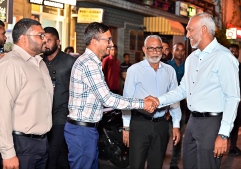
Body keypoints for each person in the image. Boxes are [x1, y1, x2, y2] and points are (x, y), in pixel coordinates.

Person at [151, 12, 240, 169]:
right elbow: (183, 89)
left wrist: (223, 134)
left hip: (212, 123)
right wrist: (159, 100)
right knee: (189, 165)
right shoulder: (191, 59)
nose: (187, 35)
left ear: (203, 30)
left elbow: (232, 97)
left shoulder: (223, 57)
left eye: (190, 30)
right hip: (192, 121)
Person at [64, 22, 156, 169]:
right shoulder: (89, 63)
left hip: (86, 130)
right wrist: (142, 103)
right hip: (82, 132)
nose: (111, 44)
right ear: (94, 41)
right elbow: (107, 98)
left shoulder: (93, 62)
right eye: (108, 40)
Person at [122, 35, 181, 169]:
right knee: (136, 165)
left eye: (158, 48)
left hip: (161, 126)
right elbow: (127, 100)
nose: (155, 52)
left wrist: (176, 125)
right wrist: (126, 127)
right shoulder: (134, 70)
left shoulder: (169, 71)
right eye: (151, 48)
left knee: (156, 165)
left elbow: (174, 98)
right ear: (144, 49)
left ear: (163, 50)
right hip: (139, 125)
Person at [0, 18, 53, 169]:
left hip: (42, 143)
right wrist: (8, 153)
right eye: (40, 35)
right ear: (23, 38)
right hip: (21, 145)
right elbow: (2, 110)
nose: (44, 39)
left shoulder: (39, 63)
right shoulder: (11, 64)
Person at [41, 27, 76, 169]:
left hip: (61, 115)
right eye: (43, 40)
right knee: (60, 155)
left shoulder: (70, 62)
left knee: (52, 153)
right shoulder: (38, 61)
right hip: (42, 115)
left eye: (49, 40)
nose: (45, 44)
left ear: (58, 42)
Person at [167, 43, 186, 169]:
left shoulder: (188, 66)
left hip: (183, 104)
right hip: (167, 104)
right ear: (172, 51)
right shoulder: (167, 66)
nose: (179, 52)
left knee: (178, 133)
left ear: (184, 52)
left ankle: (174, 163)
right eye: (176, 49)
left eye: (181, 50)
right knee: (164, 134)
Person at [228, 44, 241, 156]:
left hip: (236, 99)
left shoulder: (239, 66)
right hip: (225, 100)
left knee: (235, 124)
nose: (234, 53)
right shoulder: (224, 64)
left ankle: (232, 146)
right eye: (231, 51)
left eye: (235, 51)